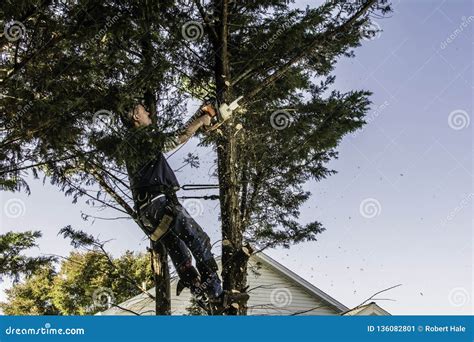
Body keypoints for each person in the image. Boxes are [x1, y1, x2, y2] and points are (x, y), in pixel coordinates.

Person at [124, 103, 223, 302]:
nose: (149, 113)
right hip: (159, 204)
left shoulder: (131, 144)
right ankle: (215, 290)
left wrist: (197, 119)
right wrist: (203, 120)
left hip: (148, 215)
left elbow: (181, 133)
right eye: (144, 110)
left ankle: (194, 284)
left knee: (179, 249)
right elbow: (177, 138)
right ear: (136, 116)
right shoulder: (142, 137)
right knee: (199, 238)